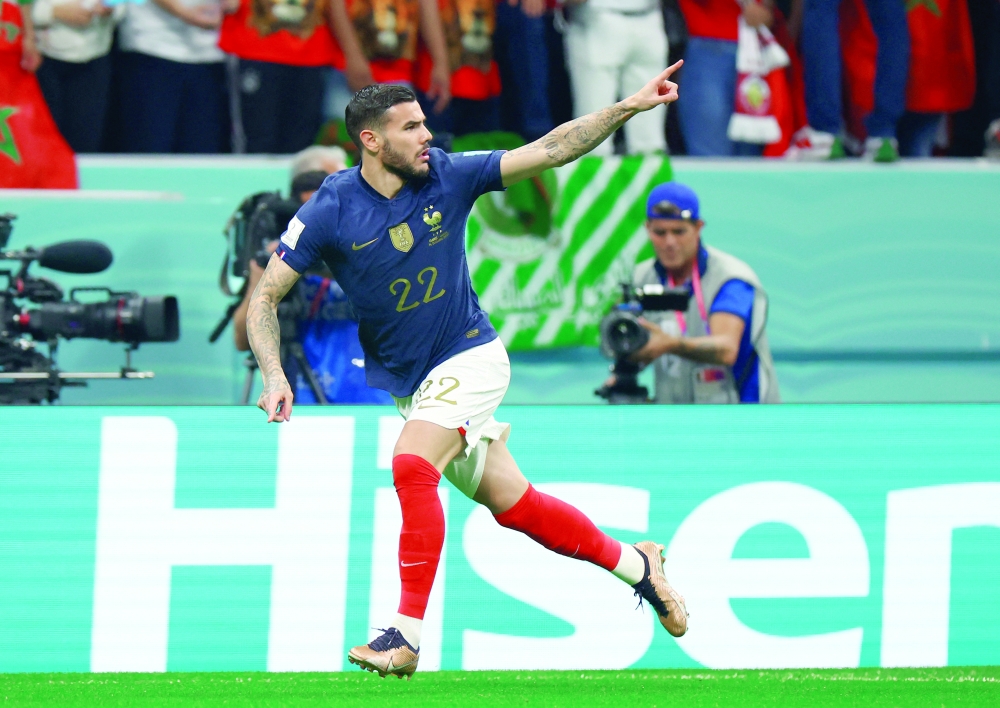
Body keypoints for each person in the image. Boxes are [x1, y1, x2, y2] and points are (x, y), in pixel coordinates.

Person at [246, 70, 689, 678]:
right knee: (517, 506)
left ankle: (404, 637)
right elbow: (265, 298)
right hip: (414, 385)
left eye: (425, 122)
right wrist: (273, 373)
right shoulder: (328, 207)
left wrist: (631, 107)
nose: (427, 135)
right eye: (411, 127)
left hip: (471, 355)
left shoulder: (449, 175)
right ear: (371, 141)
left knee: (411, 464)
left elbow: (554, 147)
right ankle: (640, 566)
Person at [233, 146, 392, 404]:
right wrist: (263, 277)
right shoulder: (283, 247)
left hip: (371, 399)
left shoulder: (372, 233)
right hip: (300, 401)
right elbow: (242, 339)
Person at [629, 182, 780, 404]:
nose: (669, 242)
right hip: (678, 417)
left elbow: (726, 348)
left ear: (698, 227)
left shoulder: (730, 277)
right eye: (660, 232)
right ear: (647, 229)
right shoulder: (641, 277)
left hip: (743, 412)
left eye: (679, 232)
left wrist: (669, 344)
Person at [219, 0, 371, 154]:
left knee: (303, 143)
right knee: (257, 141)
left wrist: (352, 54)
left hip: (312, 50)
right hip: (256, 46)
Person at [117, 0, 228, 153]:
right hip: (151, 47)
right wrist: (187, 14)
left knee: (202, 154)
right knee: (149, 152)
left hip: (211, 54)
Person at [562, 0, 668, 156]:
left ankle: (653, 175)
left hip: (651, 14)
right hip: (599, 15)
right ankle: (592, 174)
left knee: (649, 138)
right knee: (593, 125)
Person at [31, 0, 122, 153]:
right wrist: (54, 12)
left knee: (86, 141)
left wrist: (112, 8)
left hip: (95, 57)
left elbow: (122, 6)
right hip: (41, 57)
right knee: (40, 143)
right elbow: (12, 7)